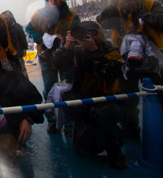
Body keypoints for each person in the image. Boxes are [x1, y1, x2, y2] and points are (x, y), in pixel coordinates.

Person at [97, 0, 163, 135]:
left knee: (160, 95)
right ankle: (130, 128)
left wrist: (138, 10)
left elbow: (162, 22)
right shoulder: (116, 8)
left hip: (153, 61)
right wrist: (115, 7)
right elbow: (103, 23)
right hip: (126, 60)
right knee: (126, 97)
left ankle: (162, 128)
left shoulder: (150, 5)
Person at [52, 21, 127, 170]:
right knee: (82, 150)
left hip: (110, 100)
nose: (87, 37)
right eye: (83, 34)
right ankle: (97, 133)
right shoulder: (76, 50)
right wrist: (67, 46)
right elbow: (57, 64)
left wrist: (93, 50)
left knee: (104, 114)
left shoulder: (109, 50)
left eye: (91, 34)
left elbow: (112, 73)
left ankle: (115, 153)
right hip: (85, 100)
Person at [25, 0, 80, 134]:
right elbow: (29, 29)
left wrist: (69, 41)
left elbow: (78, 35)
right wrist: (42, 38)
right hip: (46, 58)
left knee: (67, 89)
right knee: (49, 90)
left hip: (66, 58)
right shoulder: (39, 15)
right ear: (47, 0)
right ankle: (53, 122)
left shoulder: (72, 17)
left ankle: (69, 124)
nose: (53, 0)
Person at [2, 10, 29, 77]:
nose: (5, 19)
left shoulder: (17, 27)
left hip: (18, 53)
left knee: (22, 70)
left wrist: (24, 49)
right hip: (7, 55)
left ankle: (25, 84)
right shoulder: (2, 28)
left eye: (7, 17)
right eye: (4, 18)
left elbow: (23, 38)